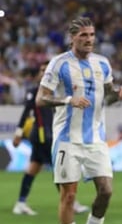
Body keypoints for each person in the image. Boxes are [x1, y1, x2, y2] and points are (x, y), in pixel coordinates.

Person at [37, 16, 122, 224]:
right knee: (69, 196)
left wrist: (118, 94)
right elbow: (41, 98)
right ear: (72, 38)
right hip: (67, 140)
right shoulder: (58, 64)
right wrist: (69, 100)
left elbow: (107, 95)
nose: (89, 39)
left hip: (95, 139)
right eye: (83, 36)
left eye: (91, 35)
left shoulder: (103, 64)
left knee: (106, 190)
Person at [11, 64, 88, 216]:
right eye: (41, 70)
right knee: (60, 168)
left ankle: (21, 202)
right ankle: (70, 202)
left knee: (34, 168)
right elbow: (26, 113)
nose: (44, 73)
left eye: (47, 71)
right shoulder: (35, 92)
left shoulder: (56, 92)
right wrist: (18, 133)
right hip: (42, 136)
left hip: (51, 135)